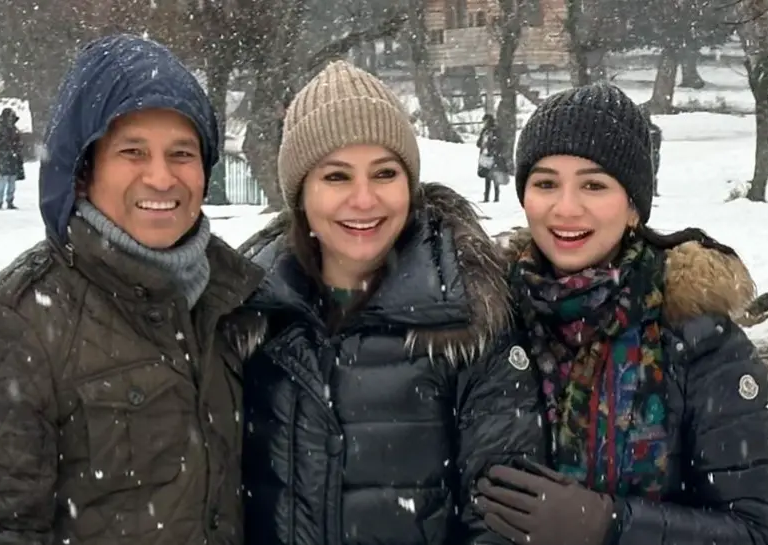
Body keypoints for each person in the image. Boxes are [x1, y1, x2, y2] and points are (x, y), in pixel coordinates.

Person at [0, 34, 262, 545]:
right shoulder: (8, 328)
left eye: (181, 153)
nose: (161, 177)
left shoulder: (237, 300)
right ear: (82, 171)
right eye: (132, 152)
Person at [227, 61, 546, 545]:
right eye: (336, 176)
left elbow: (503, 523)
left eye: (384, 173)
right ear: (301, 194)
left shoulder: (469, 317)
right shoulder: (246, 314)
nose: (364, 199)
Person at [473, 83, 768, 545]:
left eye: (594, 185)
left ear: (634, 207)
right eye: (546, 183)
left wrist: (611, 524)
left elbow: (755, 535)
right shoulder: (488, 319)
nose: (566, 208)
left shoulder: (698, 339)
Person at [0, 107, 25, 209]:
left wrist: (18, 146)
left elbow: (18, 141)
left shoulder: (14, 129)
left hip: (13, 157)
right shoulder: (0, 129)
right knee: (3, 180)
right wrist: (7, 146)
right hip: (4, 157)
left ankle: (10, 200)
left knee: (12, 181)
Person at [476, 113, 508, 203]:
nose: (484, 123)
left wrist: (494, 151)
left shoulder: (496, 130)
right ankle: (486, 197)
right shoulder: (484, 131)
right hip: (485, 155)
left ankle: (496, 197)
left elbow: (500, 142)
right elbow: (479, 143)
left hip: (494, 156)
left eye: (485, 121)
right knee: (487, 175)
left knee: (494, 175)